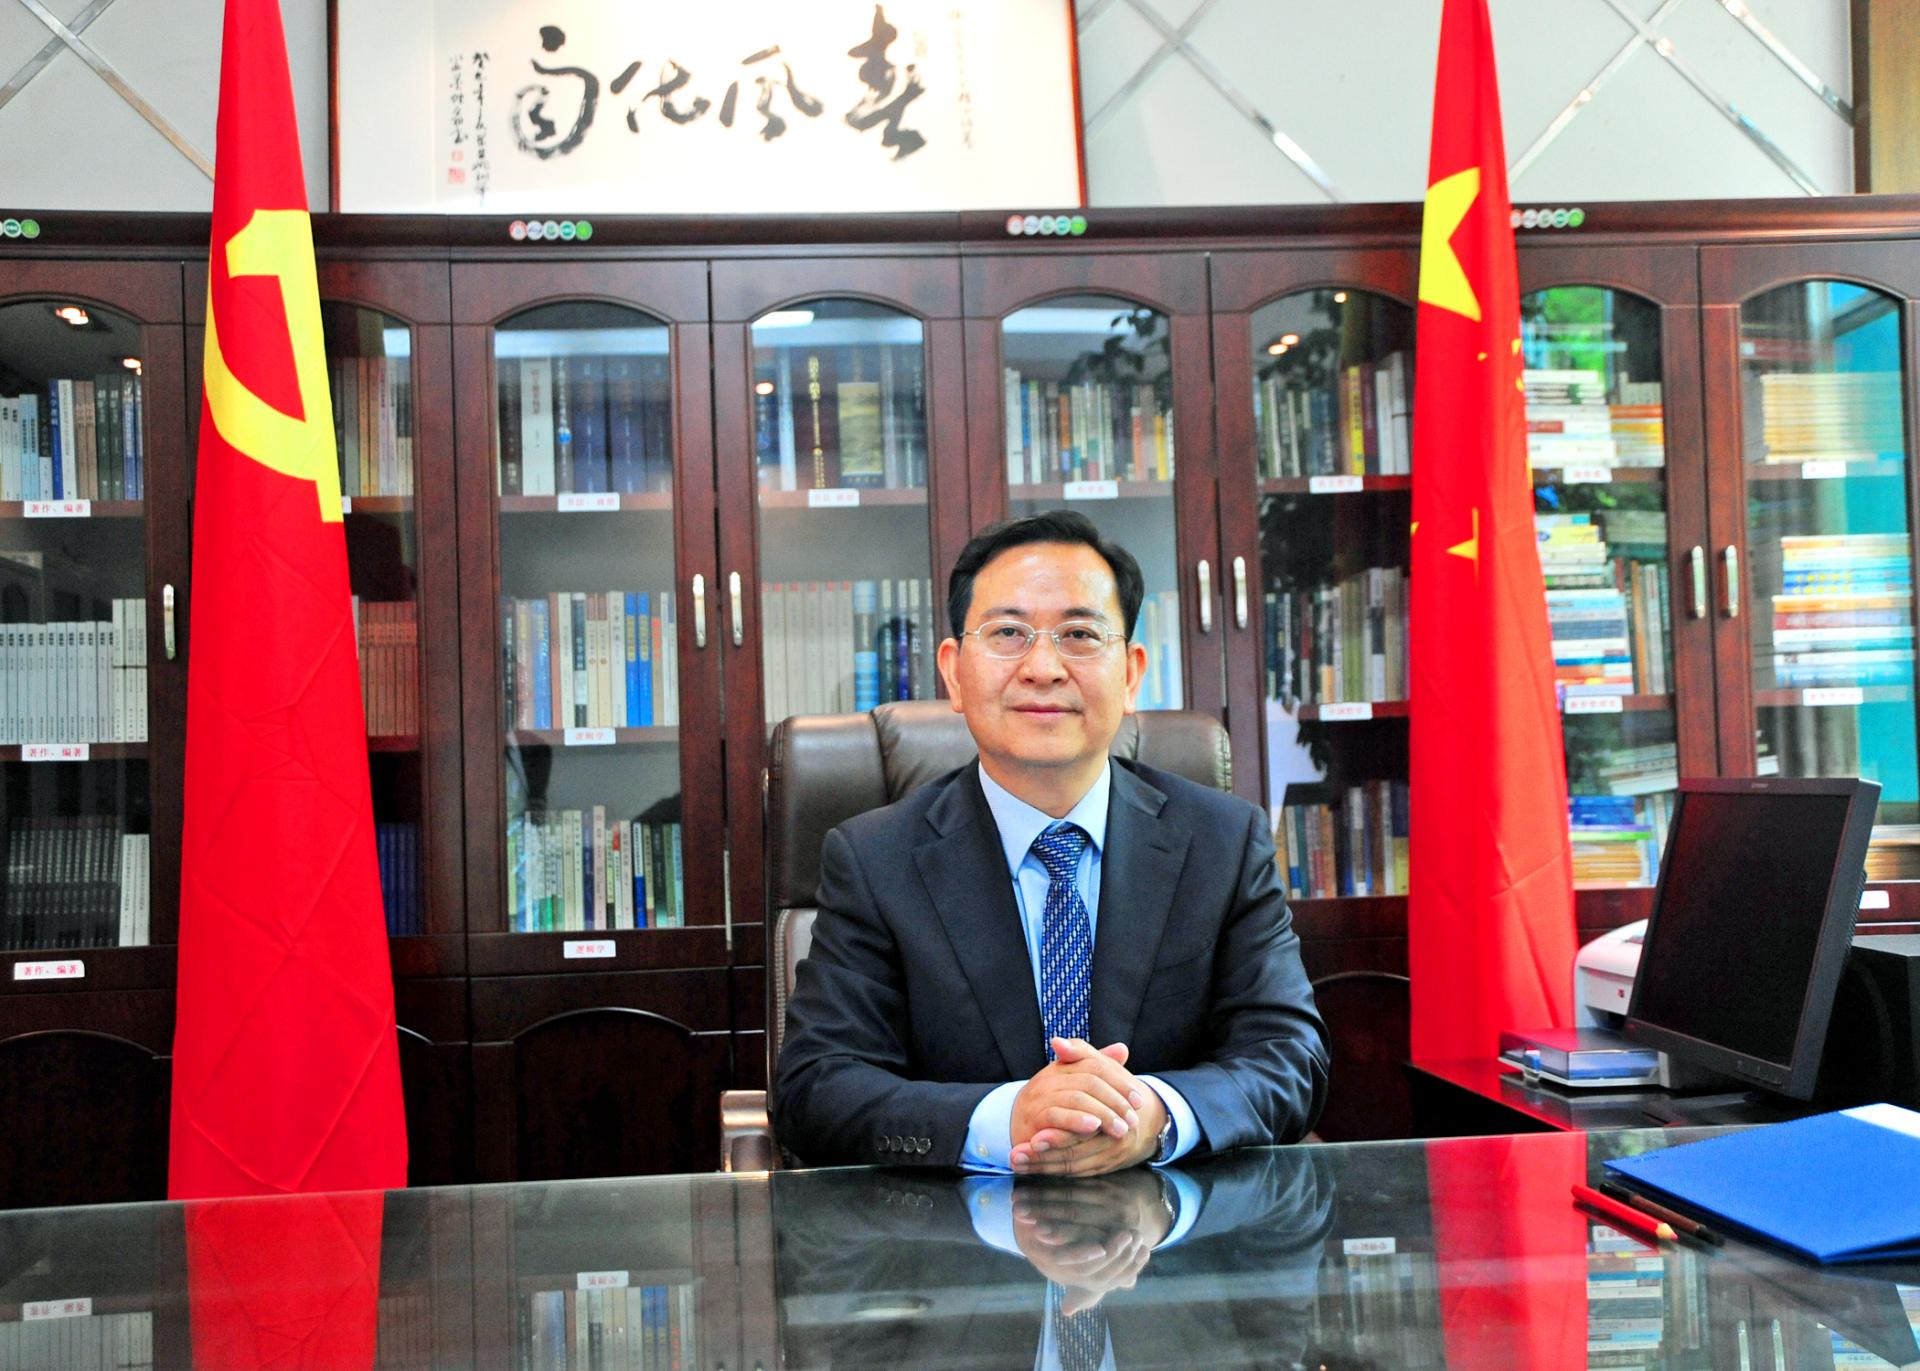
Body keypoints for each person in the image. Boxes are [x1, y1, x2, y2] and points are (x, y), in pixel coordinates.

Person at [772, 511, 1329, 1174]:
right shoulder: (874, 859)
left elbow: (1289, 1057)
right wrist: (1006, 1118)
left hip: (1176, 1223)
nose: (1042, 667)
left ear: (1131, 674)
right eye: (1008, 633)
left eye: (1079, 634)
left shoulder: (1223, 843)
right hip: (949, 1229)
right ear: (954, 673)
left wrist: (1153, 1114)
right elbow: (816, 1087)